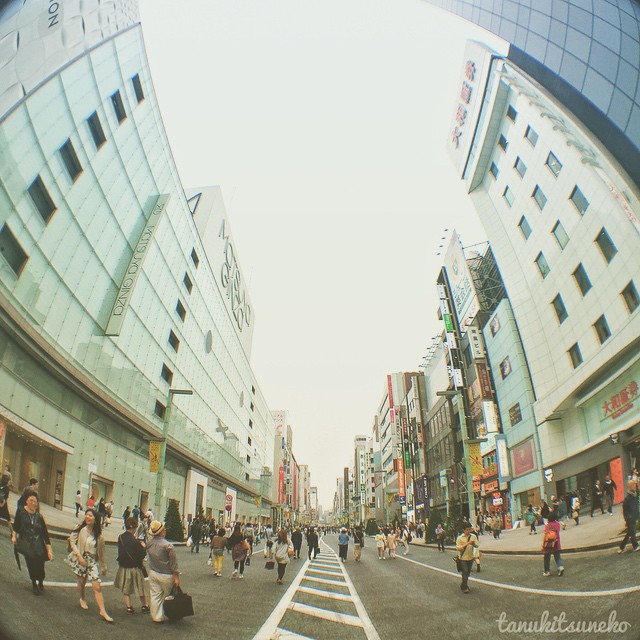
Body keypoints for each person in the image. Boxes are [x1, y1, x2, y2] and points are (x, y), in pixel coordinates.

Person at [66, 508, 113, 622]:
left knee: (97, 586)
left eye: (90, 515)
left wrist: (103, 566)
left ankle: (102, 610)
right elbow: (72, 541)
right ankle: (82, 598)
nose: (87, 517)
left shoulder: (99, 536)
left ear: (95, 519)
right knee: (81, 583)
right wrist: (79, 556)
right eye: (86, 515)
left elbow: (101, 553)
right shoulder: (80, 529)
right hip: (80, 558)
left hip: (91, 561)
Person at [12, 491, 53, 595]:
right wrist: (14, 536)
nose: (33, 503)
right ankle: (34, 584)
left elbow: (45, 535)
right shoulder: (21, 511)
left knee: (40, 566)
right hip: (27, 544)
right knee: (31, 565)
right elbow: (16, 526)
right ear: (26, 501)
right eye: (31, 500)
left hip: (39, 546)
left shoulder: (39, 517)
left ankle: (41, 580)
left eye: (35, 501)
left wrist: (49, 550)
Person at [146, 520, 180, 623]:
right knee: (171, 595)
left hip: (153, 572)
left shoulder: (149, 543)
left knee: (155, 595)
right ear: (162, 532)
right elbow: (173, 563)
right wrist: (176, 576)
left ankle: (157, 617)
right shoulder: (168, 546)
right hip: (166, 574)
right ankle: (173, 614)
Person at [115, 516, 149, 614]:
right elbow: (142, 555)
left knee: (126, 587)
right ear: (134, 527)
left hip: (123, 566)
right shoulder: (136, 542)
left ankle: (129, 607)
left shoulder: (121, 537)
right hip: (135, 567)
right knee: (140, 587)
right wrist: (143, 547)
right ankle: (144, 606)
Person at [455, 523, 478, 594]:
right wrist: (467, 543)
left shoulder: (473, 536)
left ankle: (463, 584)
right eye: (467, 530)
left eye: (469, 529)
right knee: (465, 571)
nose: (468, 531)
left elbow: (477, 545)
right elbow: (458, 548)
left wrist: (473, 544)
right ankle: (465, 587)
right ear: (463, 530)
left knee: (467, 572)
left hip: (471, 557)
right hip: (463, 558)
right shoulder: (460, 538)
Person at [617, 480, 639, 553]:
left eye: (635, 485)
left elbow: (636, 507)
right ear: (629, 487)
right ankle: (635, 546)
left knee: (629, 533)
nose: (635, 486)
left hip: (634, 516)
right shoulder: (627, 499)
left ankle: (622, 546)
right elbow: (625, 510)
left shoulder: (635, 496)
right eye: (633, 485)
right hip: (630, 518)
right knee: (632, 532)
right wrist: (628, 518)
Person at [542, 512, 564, 576]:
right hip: (556, 543)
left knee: (546, 557)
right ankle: (560, 567)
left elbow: (546, 535)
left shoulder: (547, 526)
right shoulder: (557, 524)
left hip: (549, 544)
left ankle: (547, 571)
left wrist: (543, 545)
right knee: (557, 557)